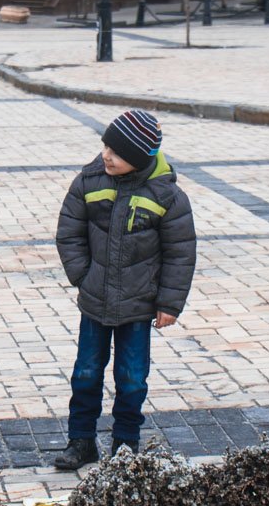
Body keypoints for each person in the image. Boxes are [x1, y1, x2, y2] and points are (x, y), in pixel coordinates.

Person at [53, 110, 197, 470]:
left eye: (116, 152)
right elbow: (69, 233)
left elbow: (180, 253)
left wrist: (169, 303)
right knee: (86, 372)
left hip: (139, 304)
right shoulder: (88, 182)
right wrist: (83, 276)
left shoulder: (168, 196)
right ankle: (81, 440)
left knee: (132, 378)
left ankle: (125, 444)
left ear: (139, 158)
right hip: (95, 301)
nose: (106, 155)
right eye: (105, 146)